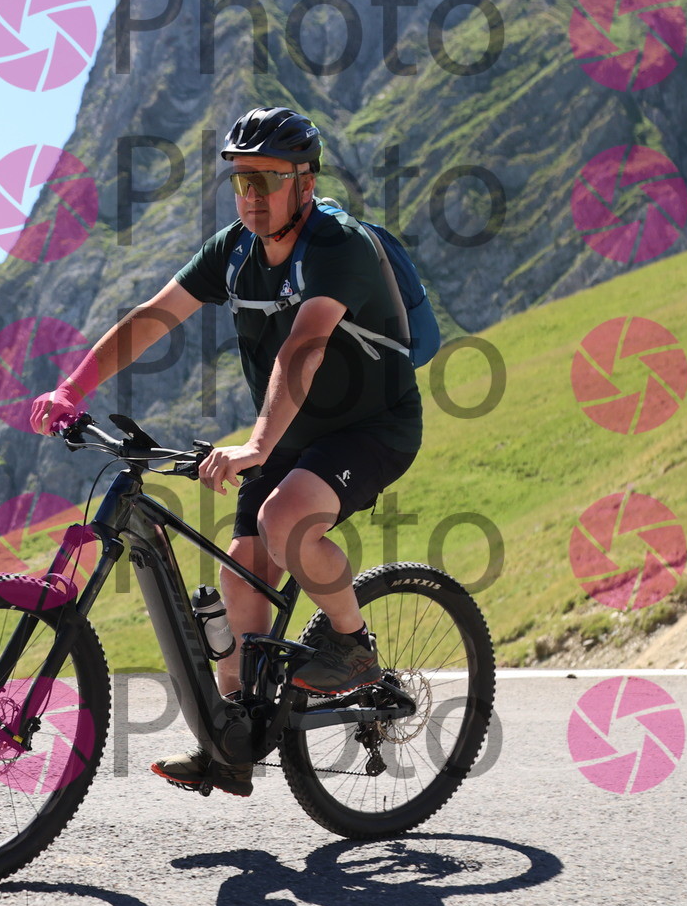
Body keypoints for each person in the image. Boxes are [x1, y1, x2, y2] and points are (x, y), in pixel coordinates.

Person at [30, 106, 422, 796]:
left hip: (372, 426)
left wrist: (257, 445)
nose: (252, 195)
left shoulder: (339, 248)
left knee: (284, 521)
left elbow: (303, 351)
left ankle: (352, 645)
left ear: (306, 183)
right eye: (242, 179)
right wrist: (72, 387)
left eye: (268, 179)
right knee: (241, 574)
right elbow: (153, 317)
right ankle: (232, 738)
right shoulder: (234, 252)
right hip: (293, 430)